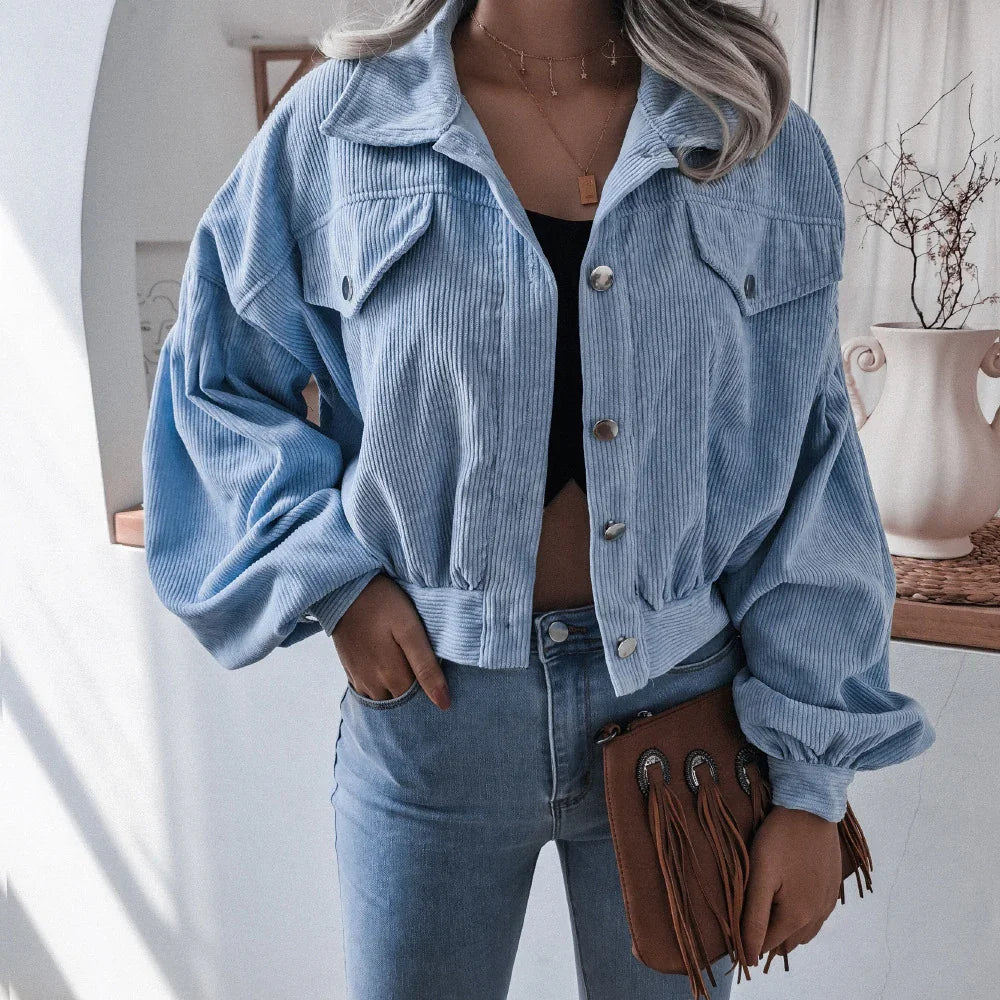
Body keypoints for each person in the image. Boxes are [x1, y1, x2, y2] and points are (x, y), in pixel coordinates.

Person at [141, 0, 937, 997]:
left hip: (684, 715)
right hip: (434, 719)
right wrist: (335, 583)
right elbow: (215, 383)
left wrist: (812, 786)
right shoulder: (339, 126)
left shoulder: (752, 136)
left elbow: (810, 466)